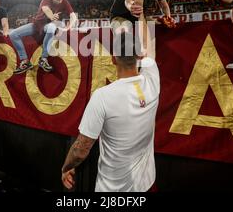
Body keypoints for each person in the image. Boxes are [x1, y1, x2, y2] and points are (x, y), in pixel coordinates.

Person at [61, 32, 160, 192]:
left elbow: (80, 150)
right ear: (139, 56)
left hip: (113, 190)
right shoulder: (152, 77)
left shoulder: (102, 96)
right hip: (147, 184)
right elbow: (148, 45)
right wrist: (141, 11)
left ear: (113, 59)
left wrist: (66, 167)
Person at [9, 0, 78, 74]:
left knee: (51, 27)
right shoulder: (46, 0)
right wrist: (52, 16)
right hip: (36, 25)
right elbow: (46, 9)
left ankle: (43, 59)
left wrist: (68, 27)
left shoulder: (65, 1)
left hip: (48, 25)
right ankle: (25, 61)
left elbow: (73, 16)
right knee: (13, 34)